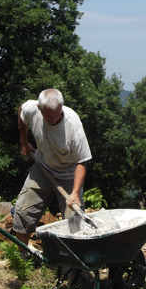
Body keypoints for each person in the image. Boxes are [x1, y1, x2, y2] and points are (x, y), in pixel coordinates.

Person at [13, 89, 92, 253]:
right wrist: (23, 141)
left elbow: (82, 161)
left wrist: (75, 192)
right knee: (23, 211)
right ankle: (22, 257)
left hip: (70, 176)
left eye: (58, 114)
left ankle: (74, 265)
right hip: (43, 168)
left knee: (75, 222)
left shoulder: (73, 126)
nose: (54, 119)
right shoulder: (31, 109)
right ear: (39, 109)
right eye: (49, 116)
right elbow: (21, 112)